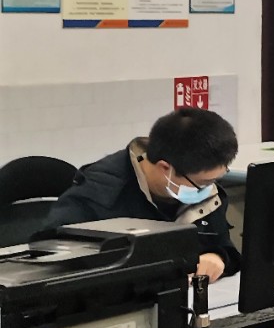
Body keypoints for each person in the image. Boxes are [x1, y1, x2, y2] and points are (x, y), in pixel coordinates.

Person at [44, 107, 240, 282]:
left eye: (215, 180)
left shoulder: (204, 193)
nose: (208, 189)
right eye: (203, 183)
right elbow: (51, 258)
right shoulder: (100, 194)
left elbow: (222, 245)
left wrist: (218, 257)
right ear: (165, 168)